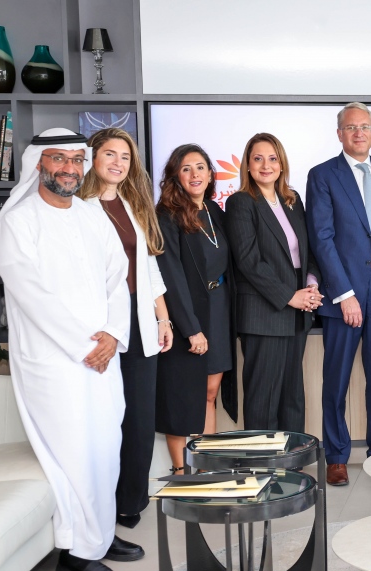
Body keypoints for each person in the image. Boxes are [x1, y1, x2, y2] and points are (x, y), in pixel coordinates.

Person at [0, 128, 143, 571]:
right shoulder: (17, 223)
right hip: (54, 361)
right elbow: (32, 296)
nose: (69, 169)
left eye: (76, 160)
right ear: (38, 163)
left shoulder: (91, 215)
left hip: (103, 355)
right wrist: (85, 346)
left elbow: (118, 278)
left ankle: (100, 533)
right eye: (58, 159)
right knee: (74, 450)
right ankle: (77, 551)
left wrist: (113, 334)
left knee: (105, 445)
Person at [306, 102, 371, 486]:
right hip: (344, 290)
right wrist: (344, 293)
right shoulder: (322, 175)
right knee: (336, 378)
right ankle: (336, 456)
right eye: (351, 127)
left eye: (364, 126)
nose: (358, 133)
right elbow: (322, 238)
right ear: (339, 133)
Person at [78, 128, 174, 529]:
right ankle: (99, 504)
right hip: (99, 324)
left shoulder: (133, 205)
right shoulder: (78, 208)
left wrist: (162, 317)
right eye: (110, 154)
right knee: (104, 416)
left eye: (125, 156)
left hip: (139, 317)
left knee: (139, 416)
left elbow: (148, 266)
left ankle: (130, 501)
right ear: (91, 158)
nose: (118, 163)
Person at [225, 133, 323, 432]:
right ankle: (263, 460)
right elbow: (249, 260)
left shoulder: (292, 200)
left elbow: (307, 251)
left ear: (281, 164)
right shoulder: (241, 202)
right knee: (263, 400)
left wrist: (311, 285)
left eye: (272, 158)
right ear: (248, 164)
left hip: (297, 313)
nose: (266, 165)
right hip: (264, 313)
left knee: (292, 397)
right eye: (258, 159)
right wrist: (290, 296)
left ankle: (292, 459)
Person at [155, 144, 238, 473]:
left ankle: (206, 467)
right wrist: (190, 328)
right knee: (183, 396)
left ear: (210, 174)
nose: (194, 174)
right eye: (186, 168)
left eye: (200, 167)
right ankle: (180, 472)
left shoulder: (214, 211)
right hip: (185, 315)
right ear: (175, 175)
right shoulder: (167, 216)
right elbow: (171, 277)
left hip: (217, 309)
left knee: (209, 392)